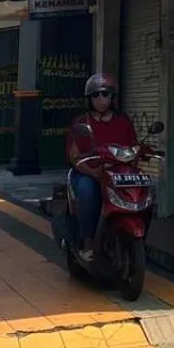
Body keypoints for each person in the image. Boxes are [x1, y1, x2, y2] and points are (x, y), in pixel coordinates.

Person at [66, 73, 138, 262]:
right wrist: (91, 171)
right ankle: (88, 241)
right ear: (89, 99)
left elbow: (133, 146)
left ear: (112, 97)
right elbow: (74, 154)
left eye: (105, 94)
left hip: (116, 174)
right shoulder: (81, 122)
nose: (101, 99)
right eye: (96, 95)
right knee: (87, 190)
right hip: (88, 173)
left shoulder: (123, 121)